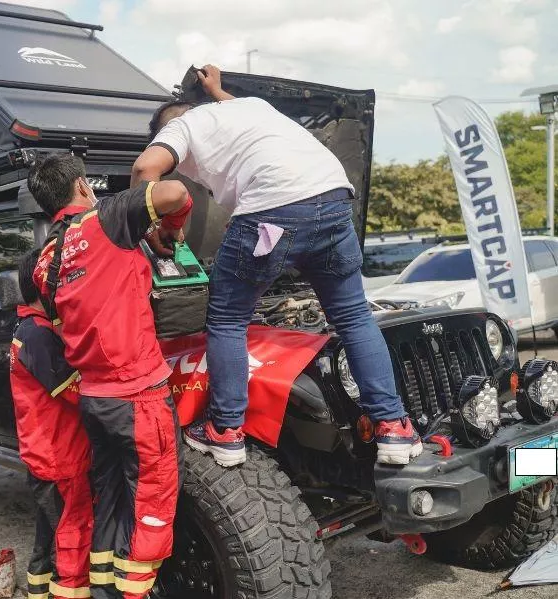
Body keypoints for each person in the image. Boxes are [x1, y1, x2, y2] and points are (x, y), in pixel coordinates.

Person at [131, 65, 416, 466]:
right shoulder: (249, 107)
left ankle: (225, 430)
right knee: (353, 317)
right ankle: (394, 427)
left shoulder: (180, 127)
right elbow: (230, 107)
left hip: (273, 211)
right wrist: (216, 89)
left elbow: (145, 169)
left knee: (228, 319)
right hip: (333, 198)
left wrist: (147, 227)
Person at [28, 154, 191, 599]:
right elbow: (176, 192)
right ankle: (133, 593)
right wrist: (168, 229)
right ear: (83, 186)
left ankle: (104, 591)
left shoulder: (44, 261)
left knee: (112, 500)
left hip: (95, 400)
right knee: (152, 502)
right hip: (138, 397)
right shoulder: (105, 219)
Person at [9, 248, 93, 599]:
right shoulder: (38, 336)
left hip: (47, 453)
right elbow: (74, 390)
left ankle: (38, 590)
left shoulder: (32, 328)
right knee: (73, 535)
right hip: (61, 457)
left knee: (48, 531)